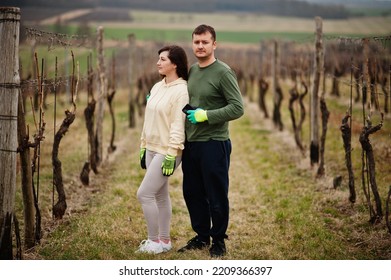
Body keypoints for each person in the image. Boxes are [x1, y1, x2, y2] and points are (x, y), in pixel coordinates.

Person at [178, 24, 244, 257]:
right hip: (192, 143)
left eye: (205, 42)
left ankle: (218, 240)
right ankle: (201, 235)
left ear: (214, 44)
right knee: (193, 192)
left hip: (214, 143)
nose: (200, 46)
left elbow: (237, 108)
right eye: (196, 42)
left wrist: (206, 115)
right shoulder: (193, 71)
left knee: (216, 193)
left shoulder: (223, 72)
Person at [136, 45, 189, 254]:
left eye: (163, 59)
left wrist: (172, 153)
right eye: (158, 58)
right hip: (150, 147)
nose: (158, 62)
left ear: (174, 64)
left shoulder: (182, 91)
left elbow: (178, 124)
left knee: (144, 194)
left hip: (167, 150)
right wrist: (142, 144)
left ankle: (154, 242)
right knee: (159, 195)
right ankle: (165, 241)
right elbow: (148, 118)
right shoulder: (158, 87)